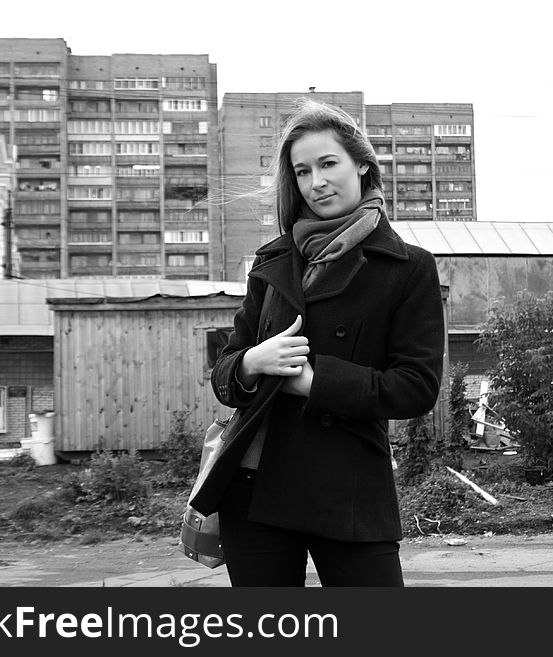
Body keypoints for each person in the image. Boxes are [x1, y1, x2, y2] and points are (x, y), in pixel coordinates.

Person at [189, 99, 445, 587]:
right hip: (255, 482)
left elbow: (416, 386)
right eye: (302, 171)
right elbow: (224, 375)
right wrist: (250, 362)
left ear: (363, 164)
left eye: (328, 164)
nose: (316, 182)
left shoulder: (409, 267)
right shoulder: (275, 260)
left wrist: (314, 382)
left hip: (348, 487)